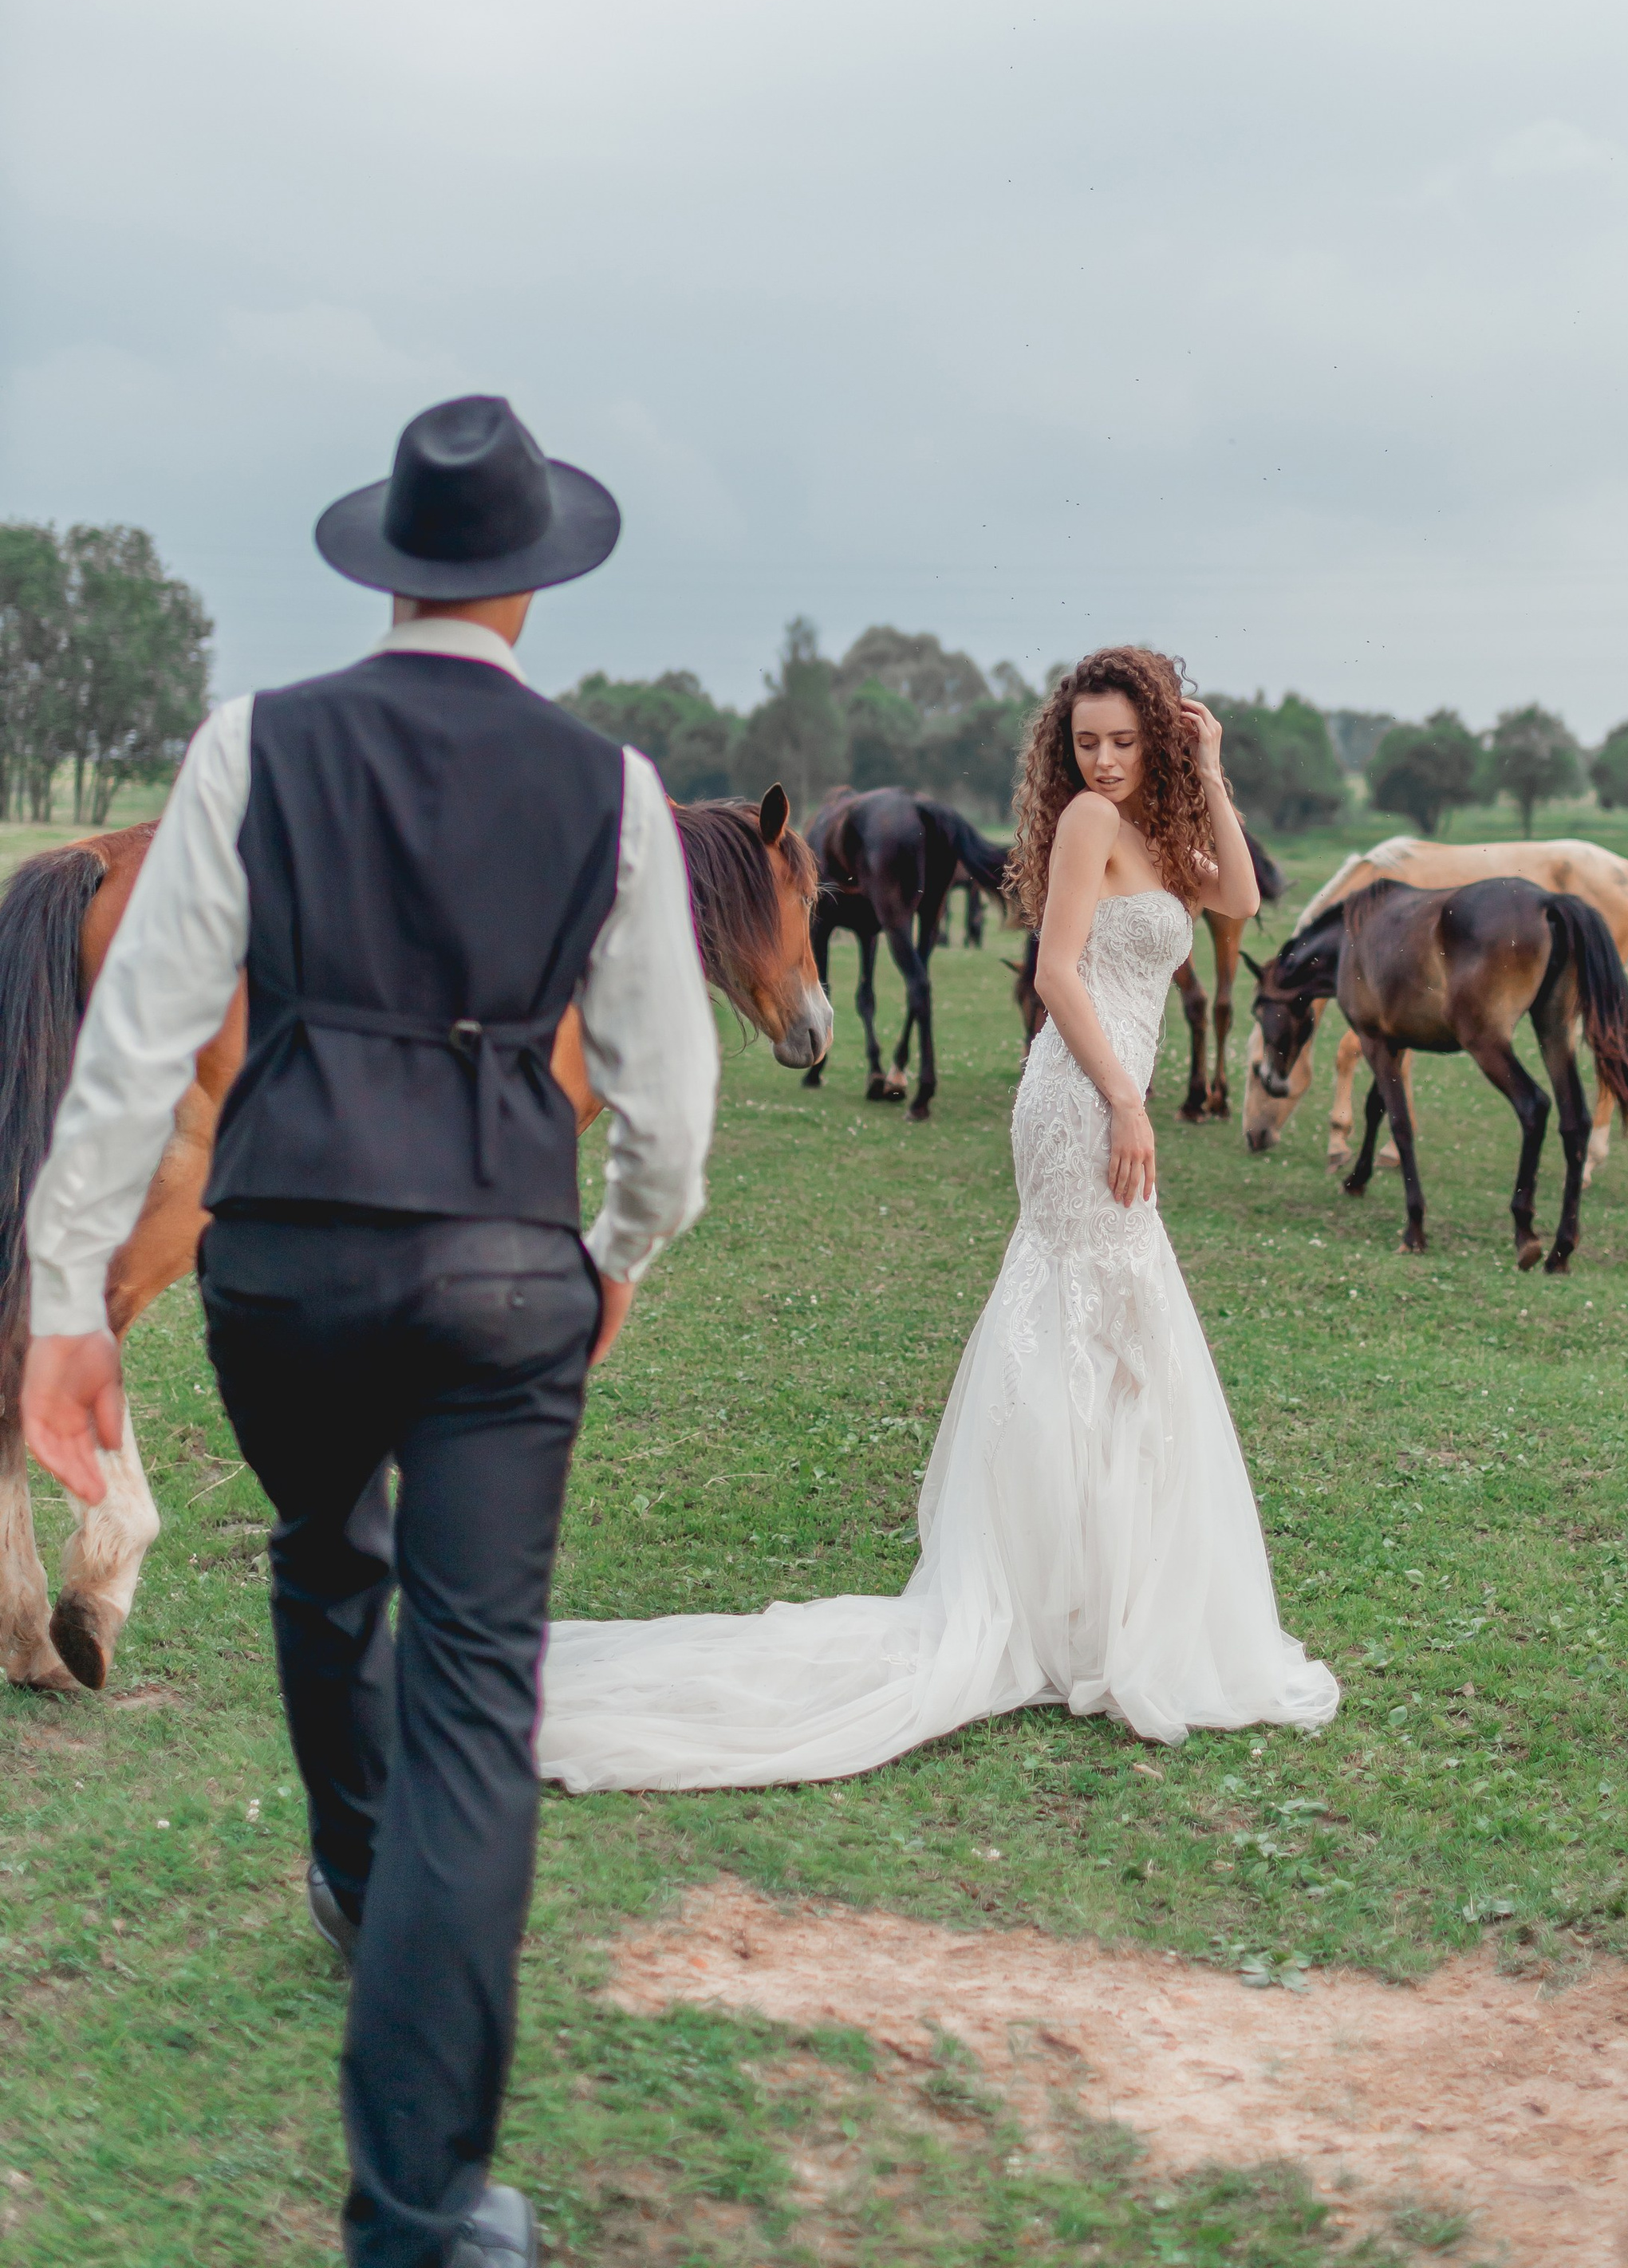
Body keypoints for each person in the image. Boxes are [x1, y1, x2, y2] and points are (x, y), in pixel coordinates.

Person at [21, 396, 718, 2268]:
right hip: (502, 1276)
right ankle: (417, 2211)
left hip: (286, 1268)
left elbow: (136, 1052)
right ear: (531, 587)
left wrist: (68, 1300)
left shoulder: (254, 743)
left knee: (326, 1558)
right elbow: (668, 1100)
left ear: (390, 571)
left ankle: (349, 1864)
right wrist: (619, 1251)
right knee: (474, 1704)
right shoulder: (609, 788)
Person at [536, 644, 1337, 1793]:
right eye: (1086, 744)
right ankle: (1062, 1599)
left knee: (1116, 1325)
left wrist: (1209, 767)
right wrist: (1124, 1101)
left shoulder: (1157, 831)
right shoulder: (1085, 827)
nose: (1104, 762)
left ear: (1157, 739)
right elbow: (1056, 975)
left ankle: (1093, 1598)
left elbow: (1244, 898)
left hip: (1110, 1096)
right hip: (1080, 1099)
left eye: (1124, 742)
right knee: (1088, 1313)